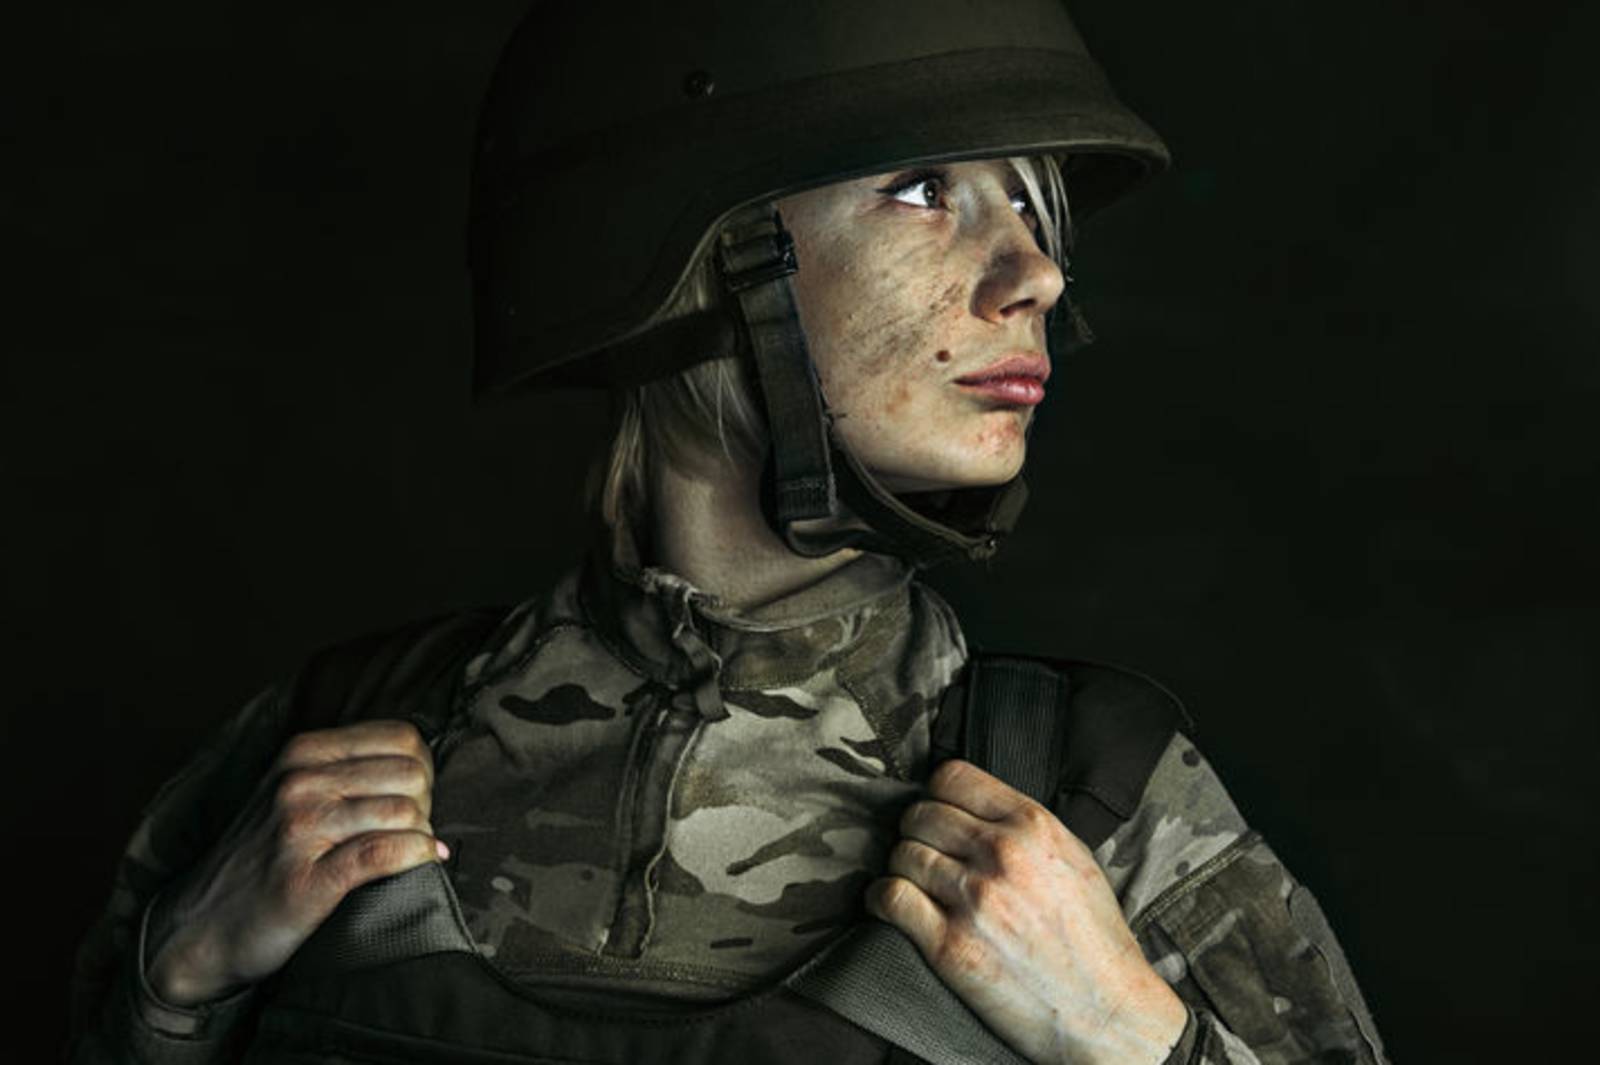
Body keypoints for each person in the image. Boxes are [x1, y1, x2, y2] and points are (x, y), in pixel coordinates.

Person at [66, 2, 1389, 1063]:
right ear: (677, 257)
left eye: (1029, 203)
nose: (1036, 272)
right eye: (925, 189)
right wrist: (174, 989)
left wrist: (1132, 1038)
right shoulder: (339, 745)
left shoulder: (1090, 793)